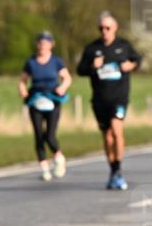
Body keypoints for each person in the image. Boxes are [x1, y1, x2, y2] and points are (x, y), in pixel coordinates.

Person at [76, 11, 141, 190]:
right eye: (101, 28)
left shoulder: (124, 46)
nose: (104, 31)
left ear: (115, 28)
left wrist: (131, 65)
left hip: (119, 97)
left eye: (107, 27)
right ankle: (113, 170)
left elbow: (137, 59)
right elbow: (80, 70)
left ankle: (118, 169)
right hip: (99, 99)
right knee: (107, 137)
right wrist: (92, 66)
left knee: (116, 130)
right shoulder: (92, 49)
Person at [19, 31, 72, 181]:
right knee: (38, 134)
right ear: (37, 44)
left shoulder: (56, 61)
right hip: (35, 100)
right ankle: (44, 169)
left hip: (52, 99)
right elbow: (23, 80)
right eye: (40, 43)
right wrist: (22, 89)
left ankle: (58, 156)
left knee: (49, 135)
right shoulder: (31, 62)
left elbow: (67, 78)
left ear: (51, 45)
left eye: (46, 43)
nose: (42, 46)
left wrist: (62, 88)